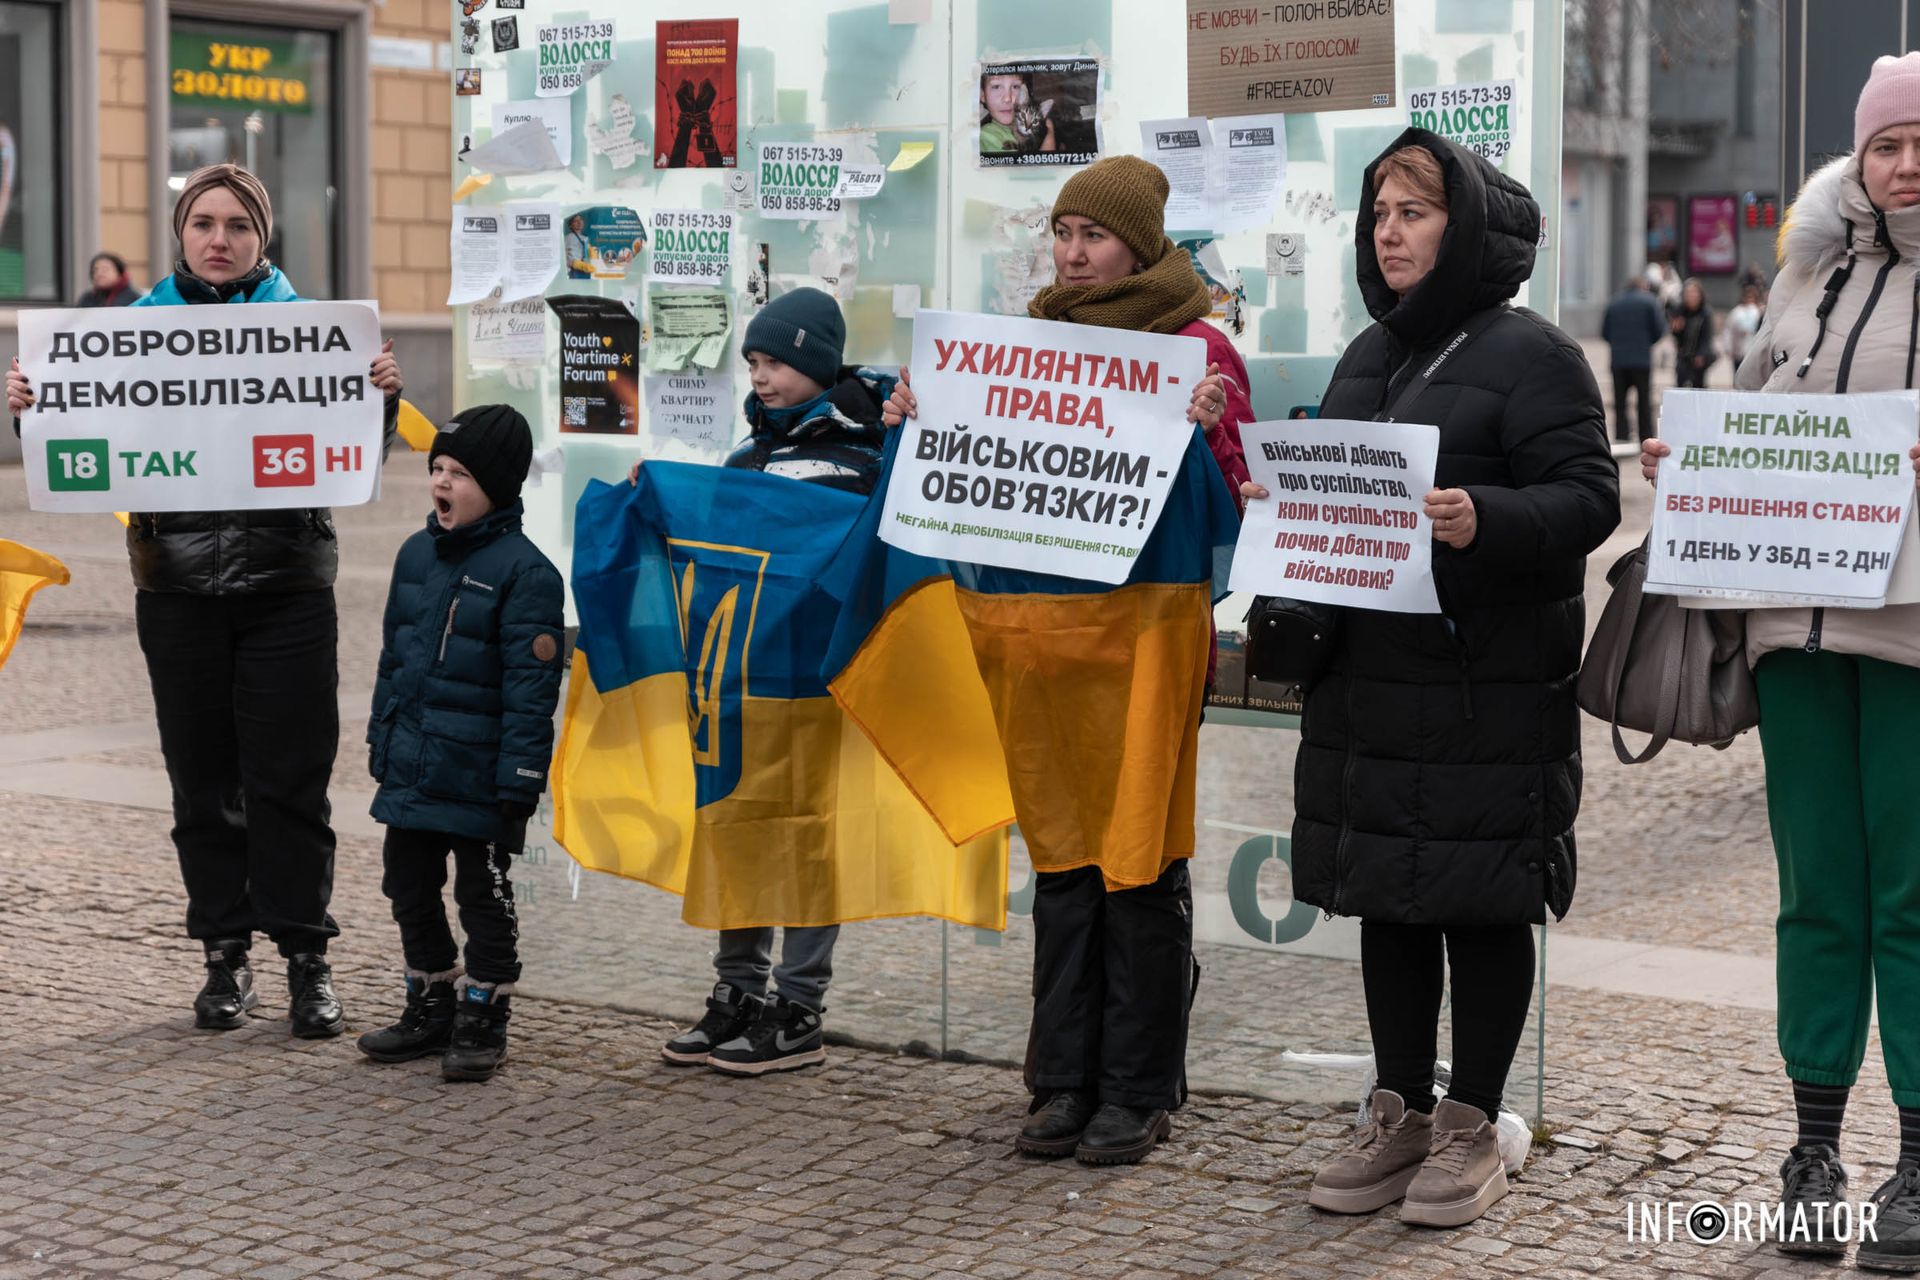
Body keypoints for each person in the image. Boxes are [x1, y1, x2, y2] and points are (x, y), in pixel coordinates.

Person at [1241, 130, 1617, 1226]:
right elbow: (1341, 498)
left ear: (1467, 229)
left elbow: (1588, 498)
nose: (1389, 233)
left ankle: (1474, 1125)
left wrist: (1481, 515)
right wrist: (1287, 507)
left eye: (1414, 212)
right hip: (1369, 682)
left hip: (1480, 688)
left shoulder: (1537, 355)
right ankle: (1398, 1109)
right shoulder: (1368, 355)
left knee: (1482, 901)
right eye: (1379, 214)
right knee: (1387, 901)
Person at [881, 154, 1247, 1165]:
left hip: (1146, 643)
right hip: (1043, 645)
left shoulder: (1195, 346)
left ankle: (1136, 1088)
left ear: (1141, 245)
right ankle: (1061, 1080)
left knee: (1141, 860)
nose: (1074, 253)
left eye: (1095, 235)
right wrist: (915, 420)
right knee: (1064, 861)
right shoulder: (1024, 345)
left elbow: (1240, 506)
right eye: (1064, 233)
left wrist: (1209, 437)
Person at [7, 163, 404, 1037]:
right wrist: (33, 410)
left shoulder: (316, 335)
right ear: (181, 234)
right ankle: (224, 956)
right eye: (203, 223)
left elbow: (355, 456)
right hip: (177, 593)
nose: (219, 239)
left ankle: (306, 959)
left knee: (290, 783)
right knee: (201, 783)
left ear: (263, 239)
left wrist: (379, 398)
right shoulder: (125, 336)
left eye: (238, 225)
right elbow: (83, 444)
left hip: (288, 591)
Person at [1640, 53, 1920, 1268]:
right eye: (1886, 144)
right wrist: (1689, 463)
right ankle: (1814, 1150)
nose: (1905, 165)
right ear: (1858, 157)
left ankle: (1919, 1160)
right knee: (1815, 896)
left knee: (1911, 897)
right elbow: (1750, 410)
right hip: (1791, 629)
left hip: (1912, 637)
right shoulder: (1805, 275)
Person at [647, 287, 898, 1074]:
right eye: (753, 362)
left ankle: (799, 1007)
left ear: (818, 366)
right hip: (742, 682)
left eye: (776, 362)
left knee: (810, 837)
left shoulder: (869, 462)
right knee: (740, 826)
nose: (760, 376)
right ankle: (738, 992)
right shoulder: (746, 460)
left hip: (819, 686)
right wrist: (654, 501)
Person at [357, 405, 563, 1083]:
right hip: (415, 765)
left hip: (479, 775)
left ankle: (485, 1011)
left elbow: (531, 693)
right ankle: (431, 998)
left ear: (497, 486)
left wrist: (520, 781)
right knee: (407, 884)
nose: (442, 482)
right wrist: (382, 739)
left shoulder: (527, 573)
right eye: (437, 468)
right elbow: (394, 660)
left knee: (484, 896)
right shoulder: (416, 555)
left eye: (461, 473)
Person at [1599, 275, 1668, 442]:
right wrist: (1646, 343)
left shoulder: (1614, 302)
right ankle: (1646, 437)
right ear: (1643, 286)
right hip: (1642, 360)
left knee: (1620, 403)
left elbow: (1604, 332)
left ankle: (1622, 436)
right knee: (1644, 401)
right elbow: (1660, 330)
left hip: (1618, 360)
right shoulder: (1649, 302)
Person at [979, 69, 1055, 157]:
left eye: (1015, 87)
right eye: (996, 86)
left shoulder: (1026, 131)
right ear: (982, 95)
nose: (1007, 98)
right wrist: (1050, 134)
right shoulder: (986, 136)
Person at [1672, 277, 1717, 388]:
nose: (1690, 296)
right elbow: (1677, 336)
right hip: (1684, 356)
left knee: (1698, 385)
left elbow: (1707, 337)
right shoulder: (1680, 310)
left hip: (1699, 356)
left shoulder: (1705, 313)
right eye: (1687, 293)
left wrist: (1701, 354)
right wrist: (1676, 330)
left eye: (1693, 293)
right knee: (1681, 382)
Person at [1724, 282, 1765, 371]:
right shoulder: (1736, 312)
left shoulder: (1759, 312)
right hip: (1738, 351)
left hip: (1753, 351)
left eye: (1752, 297)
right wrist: (1728, 347)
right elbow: (1728, 330)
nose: (1750, 300)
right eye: (1748, 297)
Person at [565, 214, 591, 279]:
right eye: (576, 221)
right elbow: (564, 257)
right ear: (571, 225)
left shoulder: (586, 238)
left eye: (580, 219)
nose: (579, 222)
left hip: (585, 271)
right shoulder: (568, 237)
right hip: (573, 271)